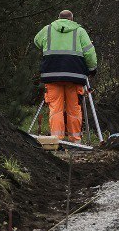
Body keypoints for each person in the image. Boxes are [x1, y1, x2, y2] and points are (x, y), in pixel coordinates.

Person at [33, 10, 97, 142]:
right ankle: (75, 140)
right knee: (73, 108)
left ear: (58, 19)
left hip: (52, 74)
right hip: (74, 76)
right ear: (72, 20)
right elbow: (89, 53)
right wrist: (92, 69)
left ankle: (56, 139)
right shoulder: (80, 31)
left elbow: (36, 41)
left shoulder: (48, 30)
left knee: (55, 108)